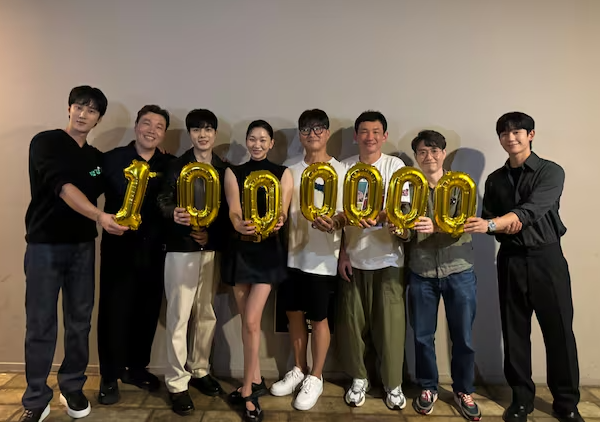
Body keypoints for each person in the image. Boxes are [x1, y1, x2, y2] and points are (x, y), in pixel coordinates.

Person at [464, 112, 582, 422]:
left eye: (517, 132)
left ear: (531, 135)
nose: (511, 137)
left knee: (559, 332)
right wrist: (500, 224)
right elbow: (491, 219)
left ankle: (566, 403)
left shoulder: (550, 172)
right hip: (511, 259)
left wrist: (501, 222)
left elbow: (531, 210)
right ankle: (521, 400)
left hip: (547, 259)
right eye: (504, 133)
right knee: (514, 331)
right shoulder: (494, 179)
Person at [20, 86, 129, 422]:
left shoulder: (96, 158)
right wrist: (99, 216)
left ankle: (72, 386)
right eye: (79, 106)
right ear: (69, 108)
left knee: (79, 322)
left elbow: (118, 178)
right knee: (40, 323)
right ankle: (36, 397)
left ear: (98, 119)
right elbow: (64, 188)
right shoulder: (46, 142)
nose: (84, 114)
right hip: (45, 247)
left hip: (82, 248)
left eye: (92, 110)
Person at [395, 130, 481, 420]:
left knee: (463, 337)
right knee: (422, 336)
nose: (428, 157)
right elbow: (406, 231)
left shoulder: (461, 185)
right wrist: (400, 231)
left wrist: (437, 226)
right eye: (422, 152)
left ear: (443, 154)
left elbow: (467, 223)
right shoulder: (408, 187)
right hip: (421, 271)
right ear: (416, 157)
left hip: (459, 269)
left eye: (434, 151)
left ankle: (463, 390)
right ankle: (428, 387)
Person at [96, 105, 174, 404]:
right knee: (114, 312)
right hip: (119, 249)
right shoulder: (111, 159)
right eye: (146, 123)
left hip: (156, 249)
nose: (151, 130)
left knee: (147, 311)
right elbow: (88, 185)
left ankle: (137, 368)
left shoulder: (169, 163)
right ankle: (109, 375)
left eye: (159, 126)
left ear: (164, 133)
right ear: (136, 126)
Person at [270, 109, 347, 410]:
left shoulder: (342, 171)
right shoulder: (290, 170)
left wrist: (337, 222)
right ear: (300, 135)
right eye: (306, 129)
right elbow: (281, 209)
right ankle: (299, 368)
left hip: (324, 258)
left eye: (318, 128)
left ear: (327, 133)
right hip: (292, 256)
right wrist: (276, 219)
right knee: (293, 314)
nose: (312, 134)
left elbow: (350, 212)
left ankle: (316, 376)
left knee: (319, 317)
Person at [156, 109, 230, 416]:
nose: (203, 134)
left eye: (208, 129)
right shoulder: (176, 165)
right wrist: (173, 213)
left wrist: (211, 237)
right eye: (197, 129)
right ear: (190, 134)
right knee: (179, 315)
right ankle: (177, 382)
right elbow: (162, 200)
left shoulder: (223, 168)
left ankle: (200, 369)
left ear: (215, 134)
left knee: (206, 312)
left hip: (209, 250)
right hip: (180, 249)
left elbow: (228, 212)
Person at [336, 110, 410, 411]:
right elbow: (338, 214)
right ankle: (359, 379)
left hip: (389, 258)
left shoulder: (395, 166)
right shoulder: (343, 168)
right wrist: (342, 253)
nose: (370, 137)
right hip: (354, 258)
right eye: (364, 131)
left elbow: (404, 207)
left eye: (376, 132)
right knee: (352, 325)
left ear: (385, 136)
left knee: (391, 327)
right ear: (356, 136)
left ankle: (393, 383)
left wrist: (382, 216)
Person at [223, 120, 293, 422]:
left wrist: (279, 220)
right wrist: (238, 224)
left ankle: (248, 392)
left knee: (252, 321)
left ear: (271, 143)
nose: (257, 144)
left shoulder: (283, 173)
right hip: (240, 251)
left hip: (267, 254)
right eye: (252, 139)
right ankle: (254, 379)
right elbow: (233, 209)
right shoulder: (233, 172)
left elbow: (283, 211)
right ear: (246, 141)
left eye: (263, 139)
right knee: (247, 323)